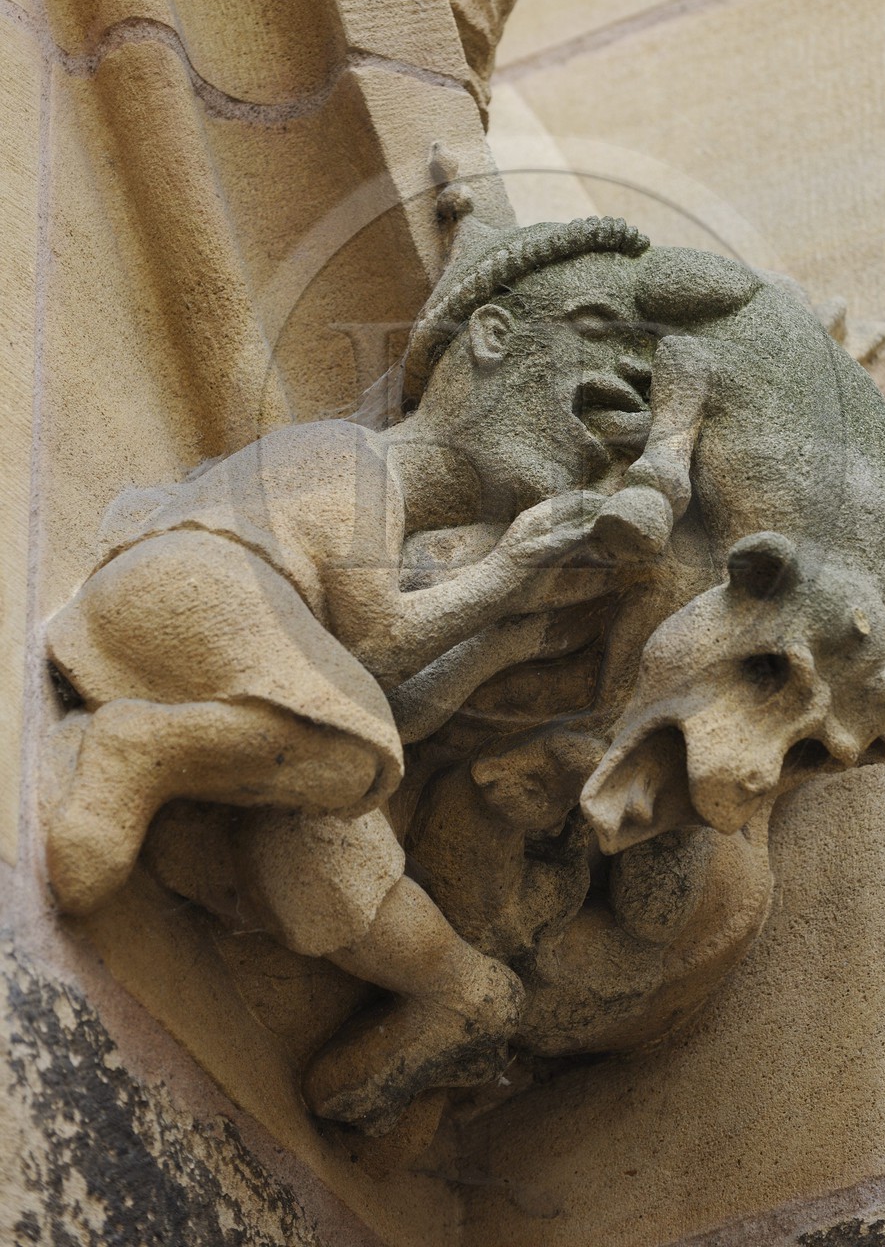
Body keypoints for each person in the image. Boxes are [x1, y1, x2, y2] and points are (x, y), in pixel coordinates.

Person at [44, 213, 661, 1129]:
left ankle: (451, 1002)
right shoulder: (352, 461)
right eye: (600, 335)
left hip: (244, 645)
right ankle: (140, 748)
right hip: (191, 590)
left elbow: (398, 707)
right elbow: (374, 648)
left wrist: (512, 636)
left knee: (340, 824)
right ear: (490, 336)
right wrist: (505, 574)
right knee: (346, 753)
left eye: (644, 377)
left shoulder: (390, 517)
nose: (631, 393)